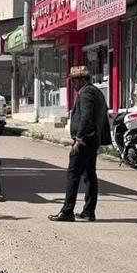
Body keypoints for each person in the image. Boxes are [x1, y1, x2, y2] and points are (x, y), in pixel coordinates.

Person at [49, 65, 110, 222]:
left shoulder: (87, 93)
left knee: (73, 174)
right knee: (89, 176)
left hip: (85, 140)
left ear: (83, 79)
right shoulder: (95, 92)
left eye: (75, 80)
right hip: (92, 139)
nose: (73, 84)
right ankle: (89, 211)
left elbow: (87, 117)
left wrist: (79, 138)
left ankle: (67, 211)